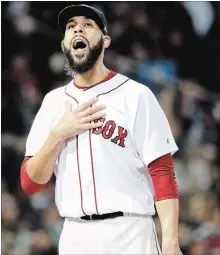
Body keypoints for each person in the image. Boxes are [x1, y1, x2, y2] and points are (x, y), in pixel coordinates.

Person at [20, 4, 182, 255]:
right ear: (64, 43)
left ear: (105, 41)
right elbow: (30, 183)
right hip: (75, 236)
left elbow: (162, 171)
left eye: (87, 25)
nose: (77, 30)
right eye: (71, 27)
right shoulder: (53, 103)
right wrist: (58, 134)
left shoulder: (136, 95)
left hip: (130, 232)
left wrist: (171, 242)